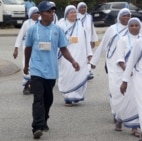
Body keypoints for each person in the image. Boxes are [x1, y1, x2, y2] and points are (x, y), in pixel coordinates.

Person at [24, 1, 80, 139]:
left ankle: (44, 120)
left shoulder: (57, 30)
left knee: (48, 99)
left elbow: (64, 48)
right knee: (38, 98)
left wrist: (73, 61)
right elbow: (28, 48)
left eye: (53, 12)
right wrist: (26, 65)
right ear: (41, 14)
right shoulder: (32, 30)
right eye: (49, 12)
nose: (52, 14)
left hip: (51, 70)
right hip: (36, 70)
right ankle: (37, 126)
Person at [90, 8, 131, 123]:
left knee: (128, 88)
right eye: (124, 16)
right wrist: (94, 61)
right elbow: (103, 45)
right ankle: (116, 112)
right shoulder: (112, 29)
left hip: (128, 63)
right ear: (119, 17)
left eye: (128, 16)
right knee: (115, 87)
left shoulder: (133, 27)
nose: (126, 18)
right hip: (113, 63)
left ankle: (127, 112)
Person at [57, 5, 92, 106]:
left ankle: (76, 96)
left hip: (80, 54)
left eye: (74, 12)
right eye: (71, 12)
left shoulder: (80, 24)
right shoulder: (61, 25)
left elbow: (86, 40)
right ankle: (68, 97)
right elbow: (57, 40)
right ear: (66, 14)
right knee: (68, 75)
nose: (73, 14)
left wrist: (89, 54)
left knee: (79, 74)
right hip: (66, 55)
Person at [114, 17, 141, 138]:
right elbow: (120, 59)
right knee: (125, 100)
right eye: (132, 25)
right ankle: (120, 119)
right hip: (126, 74)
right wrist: (127, 70)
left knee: (137, 100)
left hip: (140, 75)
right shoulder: (122, 40)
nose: (134, 27)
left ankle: (134, 127)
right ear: (128, 27)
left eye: (136, 25)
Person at [13, 6, 40, 95]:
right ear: (31, 14)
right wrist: (16, 48)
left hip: (38, 48)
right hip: (27, 48)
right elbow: (20, 36)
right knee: (26, 65)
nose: (37, 14)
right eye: (35, 13)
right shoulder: (26, 23)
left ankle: (32, 85)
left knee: (36, 67)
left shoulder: (41, 23)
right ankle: (26, 86)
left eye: (38, 13)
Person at [77, 2, 98, 80]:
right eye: (81, 7)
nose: (83, 9)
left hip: (88, 40)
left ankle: (89, 71)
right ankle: (81, 71)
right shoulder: (75, 17)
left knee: (89, 56)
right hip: (79, 41)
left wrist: (93, 40)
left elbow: (92, 29)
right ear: (78, 8)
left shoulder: (89, 17)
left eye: (84, 7)